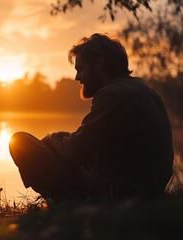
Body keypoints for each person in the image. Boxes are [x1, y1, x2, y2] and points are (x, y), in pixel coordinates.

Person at [9, 33, 174, 203]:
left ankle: (66, 200)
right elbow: (92, 144)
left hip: (116, 192)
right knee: (62, 141)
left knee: (20, 141)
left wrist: (51, 139)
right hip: (147, 190)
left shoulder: (113, 94)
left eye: (80, 69)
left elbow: (74, 151)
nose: (77, 77)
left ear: (99, 63)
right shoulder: (145, 90)